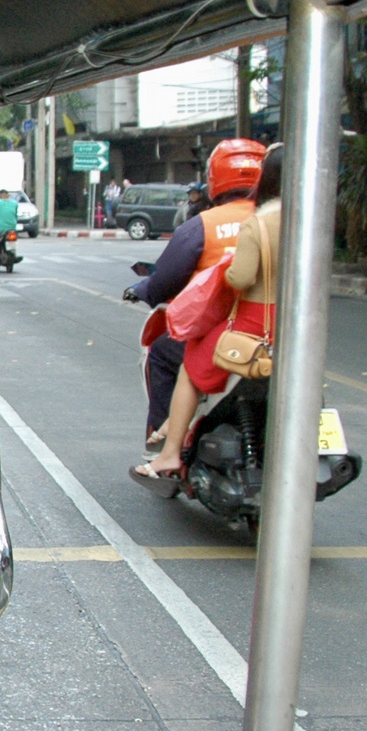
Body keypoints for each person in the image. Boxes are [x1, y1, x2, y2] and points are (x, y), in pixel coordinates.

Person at [133, 145, 281, 482]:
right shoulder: (308, 225)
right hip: (295, 326)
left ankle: (167, 451)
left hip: (250, 325)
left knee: (183, 363)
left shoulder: (247, 224)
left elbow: (236, 278)